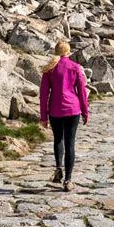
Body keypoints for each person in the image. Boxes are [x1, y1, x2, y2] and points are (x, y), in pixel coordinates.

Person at [39, 40, 89, 191]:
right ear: (68, 52)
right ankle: (68, 180)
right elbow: (82, 92)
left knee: (58, 140)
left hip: (55, 110)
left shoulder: (49, 68)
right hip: (73, 110)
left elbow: (43, 94)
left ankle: (58, 168)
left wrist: (43, 116)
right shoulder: (75, 67)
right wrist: (85, 112)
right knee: (70, 143)